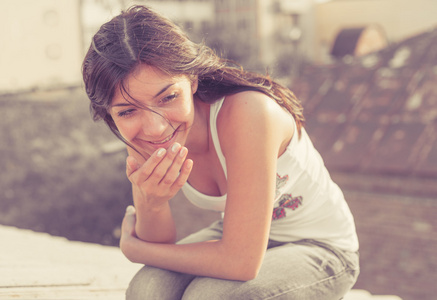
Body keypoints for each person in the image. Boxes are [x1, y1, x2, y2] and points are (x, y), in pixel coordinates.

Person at [82, 5, 359, 300]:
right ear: (110, 115)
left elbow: (241, 262)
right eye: (126, 111)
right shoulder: (140, 136)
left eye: (168, 97)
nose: (155, 128)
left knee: (207, 297)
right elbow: (162, 242)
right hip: (241, 238)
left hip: (323, 248)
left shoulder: (249, 114)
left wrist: (137, 249)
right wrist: (152, 203)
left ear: (192, 79)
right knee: (146, 290)